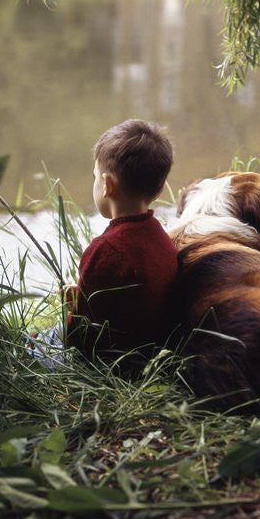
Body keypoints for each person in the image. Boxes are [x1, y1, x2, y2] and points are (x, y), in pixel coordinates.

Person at [62, 119, 179, 369]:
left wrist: (70, 307)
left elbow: (80, 338)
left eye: (95, 177)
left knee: (34, 344)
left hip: (111, 366)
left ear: (107, 185)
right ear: (158, 191)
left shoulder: (105, 250)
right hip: (149, 358)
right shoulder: (161, 238)